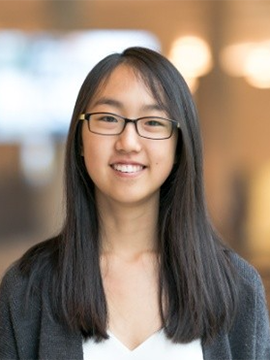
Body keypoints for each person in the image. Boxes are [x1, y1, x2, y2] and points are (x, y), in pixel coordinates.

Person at [0, 46, 269, 360]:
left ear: (180, 146)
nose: (128, 142)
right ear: (80, 140)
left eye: (153, 122)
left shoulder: (238, 288)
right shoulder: (27, 288)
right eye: (109, 118)